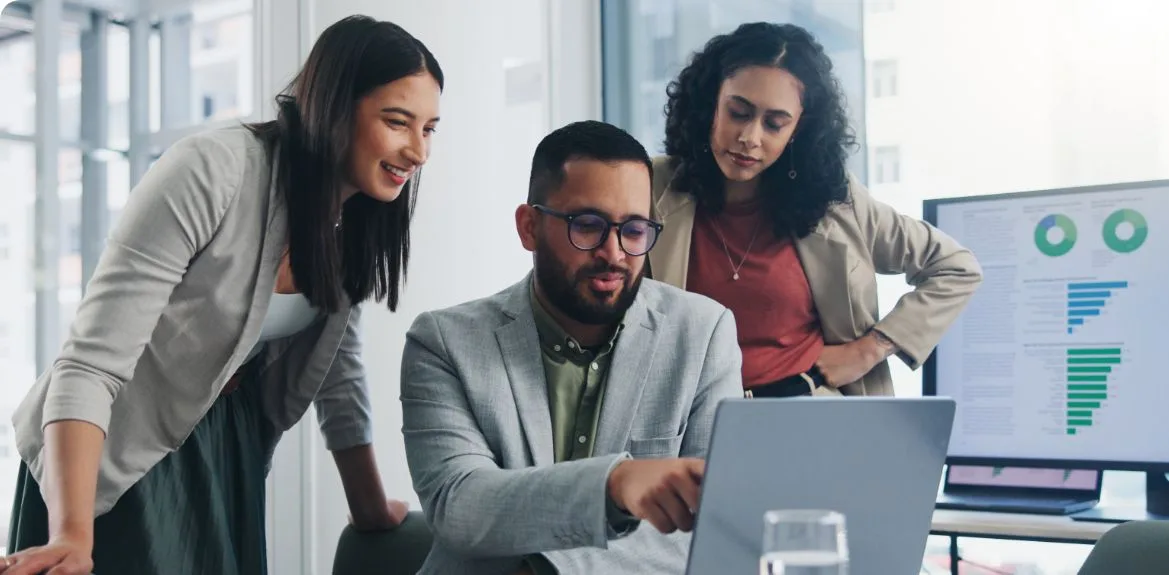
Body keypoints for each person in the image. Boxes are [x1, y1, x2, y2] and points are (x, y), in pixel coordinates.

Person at [2, 15, 442, 575]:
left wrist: (370, 508)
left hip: (222, 447)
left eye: (429, 129)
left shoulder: (355, 218)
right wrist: (72, 532)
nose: (418, 152)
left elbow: (338, 368)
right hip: (111, 451)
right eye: (398, 122)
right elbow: (89, 364)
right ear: (333, 106)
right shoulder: (215, 170)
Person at [399, 120, 742, 574]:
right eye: (588, 225)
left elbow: (711, 525)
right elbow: (460, 507)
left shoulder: (703, 333)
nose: (614, 253)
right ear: (529, 227)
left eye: (634, 229)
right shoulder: (444, 343)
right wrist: (613, 486)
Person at [648, 22, 982, 398]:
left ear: (799, 131)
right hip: (689, 421)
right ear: (709, 103)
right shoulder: (648, 187)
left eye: (775, 124)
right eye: (738, 113)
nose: (750, 138)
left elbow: (956, 268)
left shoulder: (836, 201)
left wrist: (869, 349)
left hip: (813, 414)